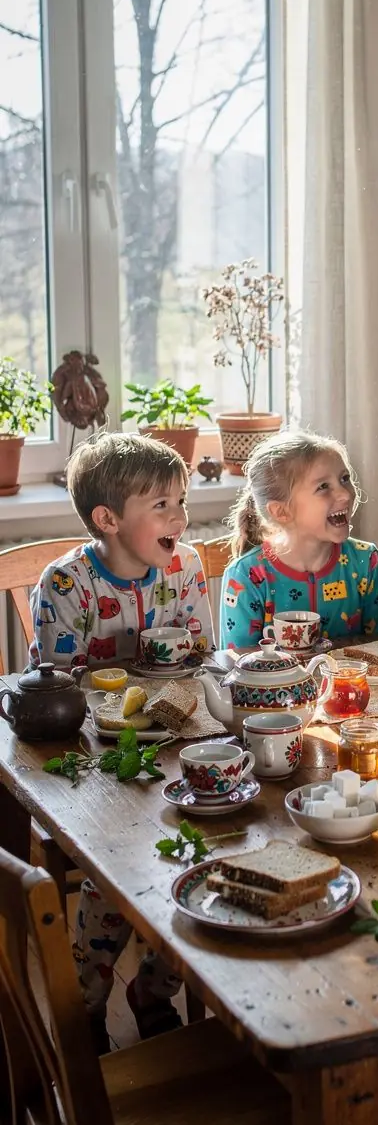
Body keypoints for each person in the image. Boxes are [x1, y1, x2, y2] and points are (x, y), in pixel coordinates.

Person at [31, 432, 215, 1050]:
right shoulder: (66, 587)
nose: (179, 518)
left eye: (180, 501)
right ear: (107, 520)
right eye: (161, 505)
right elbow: (56, 692)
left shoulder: (186, 566)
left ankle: (153, 990)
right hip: (97, 761)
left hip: (178, 745)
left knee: (199, 856)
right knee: (108, 877)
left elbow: (200, 659)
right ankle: (85, 1004)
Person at [222, 429, 378, 648]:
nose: (345, 494)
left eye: (345, 479)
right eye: (323, 486)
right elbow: (240, 664)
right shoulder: (246, 576)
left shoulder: (366, 562)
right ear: (281, 512)